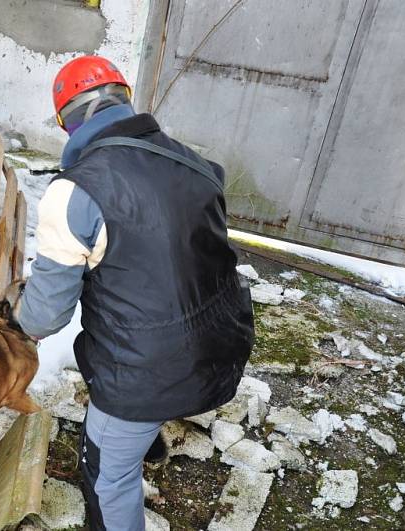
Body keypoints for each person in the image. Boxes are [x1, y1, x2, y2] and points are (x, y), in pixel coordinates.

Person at [14, 56, 255, 530]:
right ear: (124, 100)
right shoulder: (199, 165)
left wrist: (15, 317)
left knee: (107, 476)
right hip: (221, 352)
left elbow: (45, 318)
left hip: (143, 379)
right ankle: (149, 430)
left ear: (68, 121)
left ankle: (135, 442)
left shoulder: (74, 192)